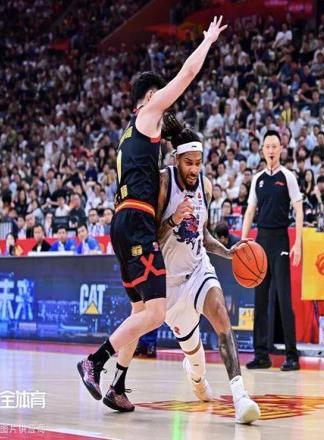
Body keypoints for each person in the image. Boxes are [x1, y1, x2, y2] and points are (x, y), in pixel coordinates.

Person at [77, 17, 228, 407]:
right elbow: (187, 74)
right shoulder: (147, 114)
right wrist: (208, 41)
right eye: (159, 97)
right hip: (138, 220)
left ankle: (118, 386)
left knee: (140, 311)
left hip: (123, 220)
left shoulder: (129, 134)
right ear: (148, 98)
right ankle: (95, 362)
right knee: (157, 313)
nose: (165, 105)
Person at [106, 128, 260, 423]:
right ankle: (196, 375)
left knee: (221, 315)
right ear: (176, 159)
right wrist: (174, 219)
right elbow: (149, 236)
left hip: (199, 269)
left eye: (198, 163)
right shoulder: (163, 183)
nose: (194, 169)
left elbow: (203, 233)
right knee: (195, 355)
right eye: (188, 162)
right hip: (170, 286)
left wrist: (228, 252)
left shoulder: (206, 186)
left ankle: (240, 397)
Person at [242, 130, 303, 371]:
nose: (270, 150)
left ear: (281, 149)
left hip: (280, 240)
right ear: (262, 150)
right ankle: (261, 355)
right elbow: (250, 211)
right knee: (260, 300)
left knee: (283, 299)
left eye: (274, 146)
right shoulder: (257, 179)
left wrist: (298, 243)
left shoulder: (288, 177)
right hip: (261, 241)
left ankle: (292, 356)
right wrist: (244, 240)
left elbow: (298, 210)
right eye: (267, 146)